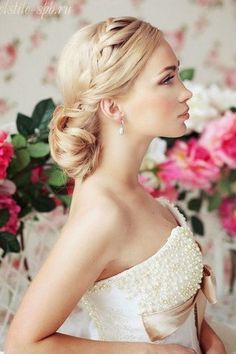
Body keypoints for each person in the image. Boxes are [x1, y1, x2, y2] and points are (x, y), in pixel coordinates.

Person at [4, 16, 226, 354]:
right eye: (167, 79)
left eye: (177, 74)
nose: (186, 91)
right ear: (112, 105)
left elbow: (178, 304)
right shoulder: (102, 214)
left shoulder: (131, 189)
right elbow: (22, 344)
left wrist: (209, 339)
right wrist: (153, 352)